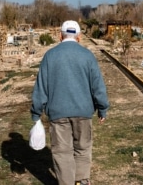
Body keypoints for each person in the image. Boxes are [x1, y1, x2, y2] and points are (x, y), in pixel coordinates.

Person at [30, 20, 109, 185]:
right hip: (83, 112)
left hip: (58, 114)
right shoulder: (87, 56)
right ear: (79, 37)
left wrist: (36, 113)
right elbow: (97, 86)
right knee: (82, 149)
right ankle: (81, 182)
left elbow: (41, 87)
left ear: (60, 36)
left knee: (62, 152)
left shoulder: (50, 56)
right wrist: (102, 108)